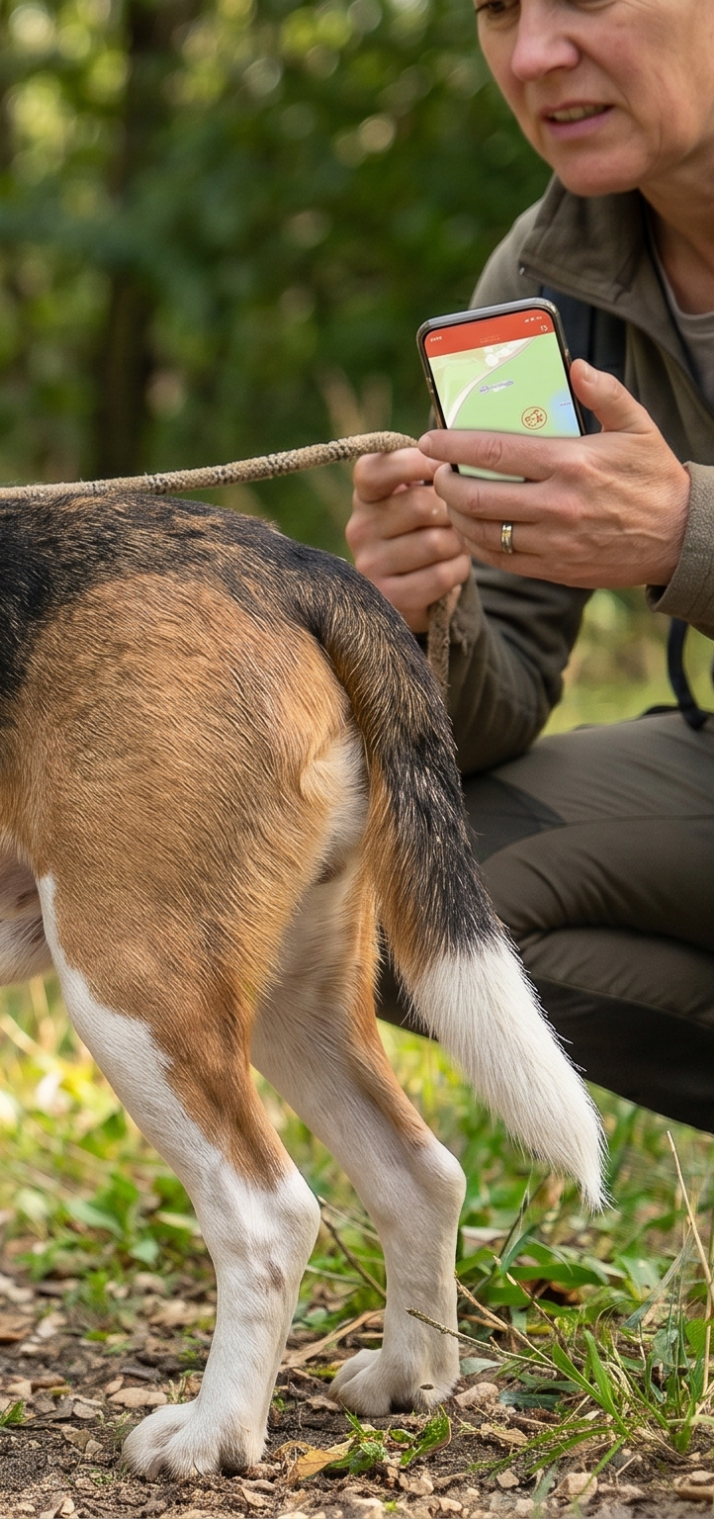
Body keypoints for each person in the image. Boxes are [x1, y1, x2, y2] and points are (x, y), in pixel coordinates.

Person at [346, 0, 714, 1129]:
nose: (533, 54)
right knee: (379, 889)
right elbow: (490, 719)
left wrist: (682, 534)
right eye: (499, 9)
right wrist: (416, 618)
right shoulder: (546, 274)